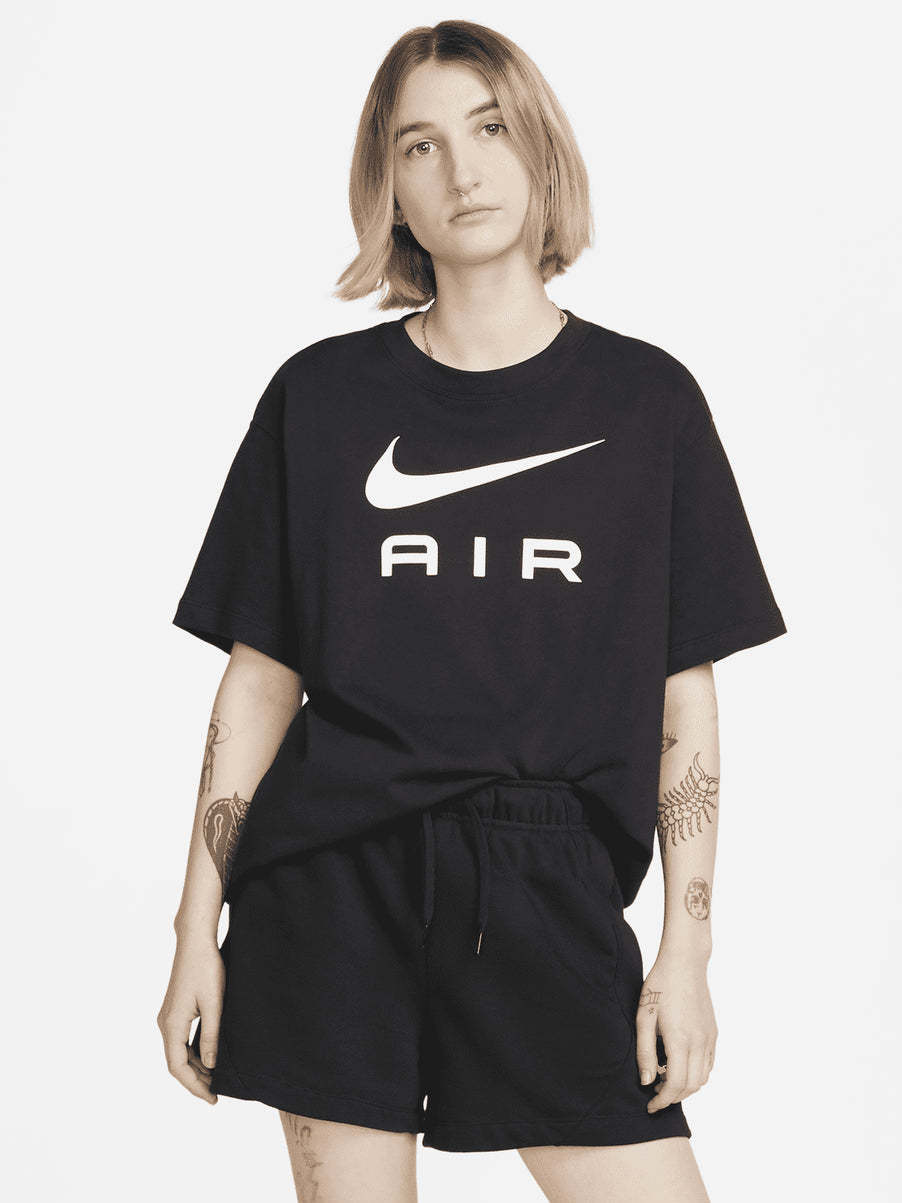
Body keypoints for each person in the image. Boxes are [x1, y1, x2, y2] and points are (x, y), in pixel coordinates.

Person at [157, 18, 787, 1202]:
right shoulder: (320, 399)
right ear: (388, 189)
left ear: (537, 147)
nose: (461, 169)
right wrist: (194, 932)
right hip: (329, 882)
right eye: (420, 145)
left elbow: (683, 700)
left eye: (489, 128)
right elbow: (257, 683)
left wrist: (685, 951)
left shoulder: (645, 402)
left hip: (545, 879)